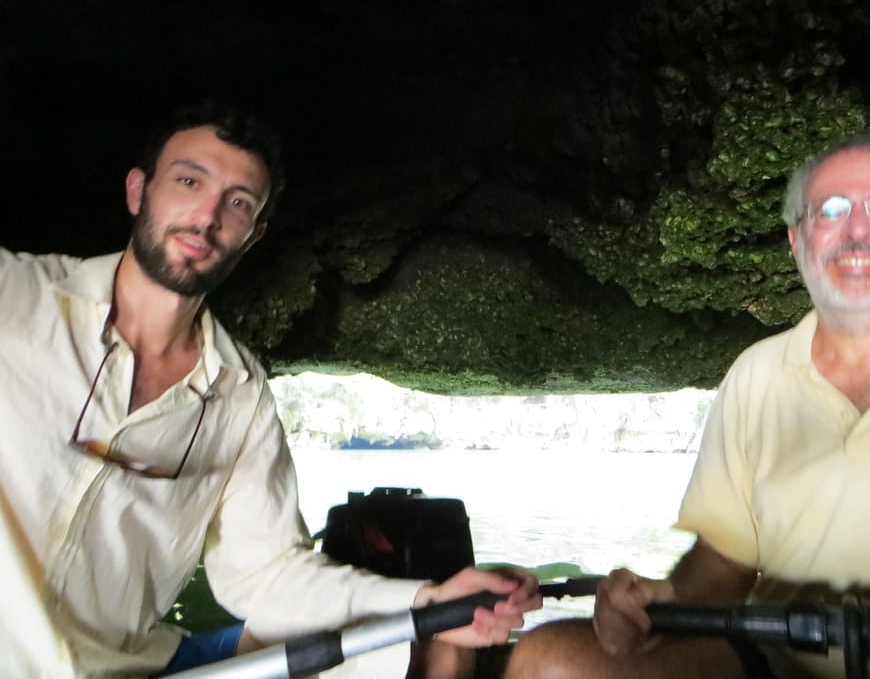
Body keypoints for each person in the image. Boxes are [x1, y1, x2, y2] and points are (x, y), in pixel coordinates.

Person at [0, 102, 540, 678]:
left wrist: (427, 601)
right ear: (138, 191)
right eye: (188, 181)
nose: (207, 216)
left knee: (416, 645)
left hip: (123, 669)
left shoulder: (240, 396)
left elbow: (264, 575)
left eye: (237, 202)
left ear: (253, 236)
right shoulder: (16, 294)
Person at [506, 139, 870, 678]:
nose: (857, 229)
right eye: (830, 210)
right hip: (783, 662)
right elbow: (722, 565)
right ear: (798, 242)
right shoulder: (756, 377)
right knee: (548, 661)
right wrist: (661, 601)